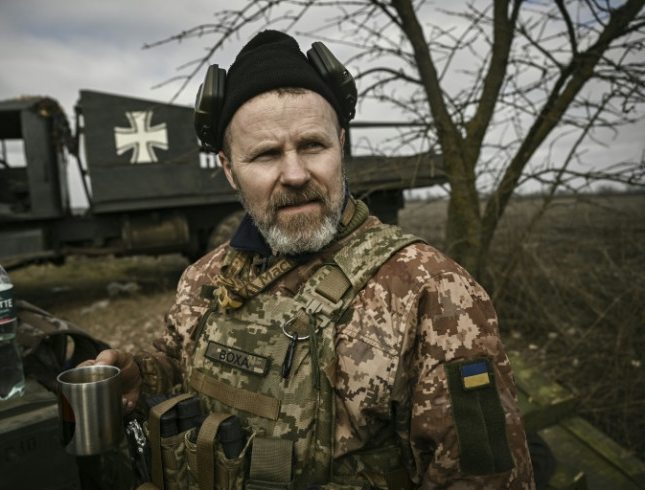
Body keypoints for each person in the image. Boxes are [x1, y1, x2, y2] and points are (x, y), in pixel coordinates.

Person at [87, 30, 534, 489]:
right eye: (265, 154)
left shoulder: (431, 292)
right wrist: (143, 376)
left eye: (313, 145)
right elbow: (183, 368)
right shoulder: (206, 277)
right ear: (228, 170)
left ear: (341, 144)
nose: (295, 174)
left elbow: (487, 479)